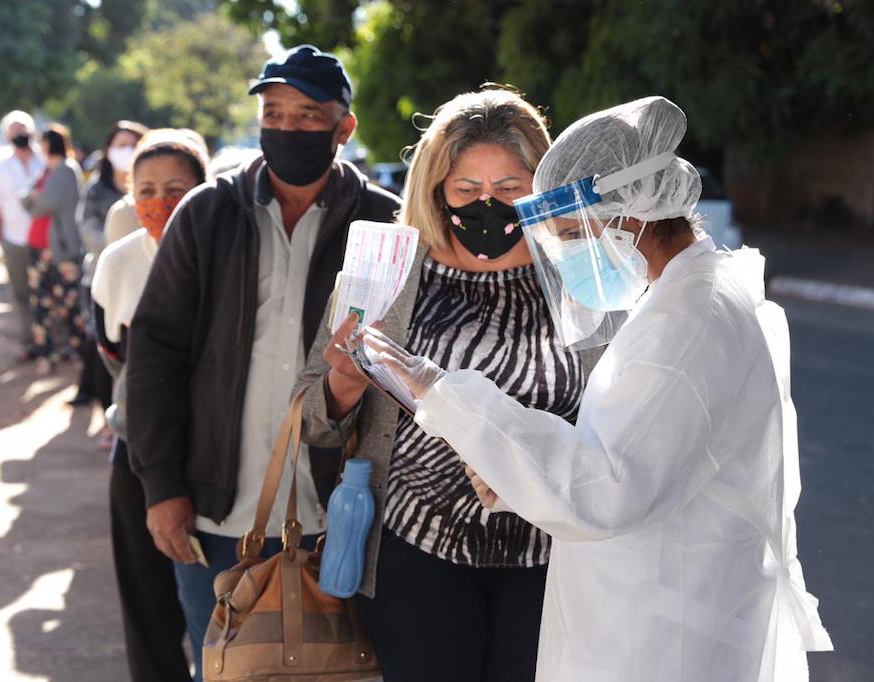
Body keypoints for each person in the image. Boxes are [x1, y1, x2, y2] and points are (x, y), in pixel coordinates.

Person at [361, 96, 832, 682]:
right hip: (655, 607)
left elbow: (604, 488)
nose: (564, 255)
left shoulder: (686, 326)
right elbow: (627, 452)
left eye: (569, 234)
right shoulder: (680, 301)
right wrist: (510, 474)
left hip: (666, 632)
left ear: (628, 216)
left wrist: (442, 394)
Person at [294, 87, 602, 682]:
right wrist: (344, 382)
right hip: (416, 553)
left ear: (542, 185)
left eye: (509, 188)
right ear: (436, 189)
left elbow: (624, 412)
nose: (488, 205)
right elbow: (309, 417)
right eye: (466, 190)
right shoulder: (387, 272)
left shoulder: (582, 273)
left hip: (554, 553)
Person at [124, 44, 400, 671]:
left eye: (306, 115)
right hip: (217, 513)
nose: (286, 128)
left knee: (343, 671)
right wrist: (161, 487)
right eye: (273, 113)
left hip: (343, 518)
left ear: (344, 128)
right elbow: (155, 356)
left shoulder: (383, 225)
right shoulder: (207, 213)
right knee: (226, 670)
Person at [92, 129, 209, 682]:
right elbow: (112, 353)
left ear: (204, 190)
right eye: (146, 190)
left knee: (216, 608)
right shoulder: (117, 263)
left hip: (214, 457)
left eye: (175, 189)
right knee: (148, 611)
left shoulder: (225, 255)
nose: (160, 203)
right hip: (137, 450)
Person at [70, 120, 148, 410]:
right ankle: (108, 409)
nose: (126, 151)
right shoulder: (96, 189)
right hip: (100, 275)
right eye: (120, 145)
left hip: (144, 279)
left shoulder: (150, 185)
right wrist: (119, 250)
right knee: (104, 341)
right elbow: (87, 228)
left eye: (132, 145)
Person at [21, 123, 84, 375]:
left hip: (60, 248)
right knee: (42, 304)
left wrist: (33, 199)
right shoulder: (46, 170)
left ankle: (77, 353)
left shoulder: (66, 170)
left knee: (69, 303)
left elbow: (41, 205)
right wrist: (32, 199)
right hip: (38, 246)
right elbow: (28, 197)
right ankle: (47, 355)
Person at [0, 110, 45, 360]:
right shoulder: (1, 167)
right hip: (14, 239)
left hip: (45, 240)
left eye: (23, 130)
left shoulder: (44, 162)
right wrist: (1, 238)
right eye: (14, 131)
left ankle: (50, 342)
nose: (19, 135)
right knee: (21, 294)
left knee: (45, 292)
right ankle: (27, 342)